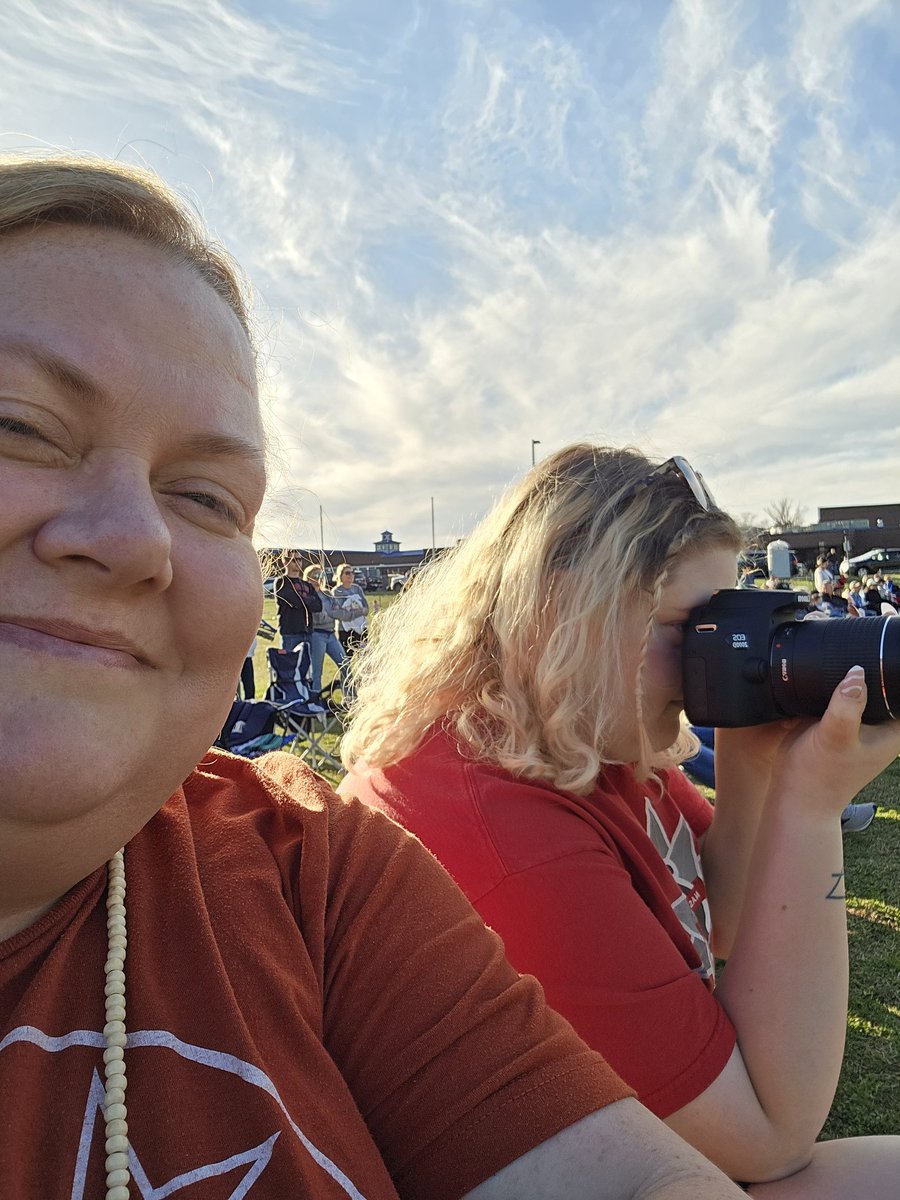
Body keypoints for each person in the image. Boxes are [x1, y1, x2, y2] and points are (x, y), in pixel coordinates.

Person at [0, 155, 752, 1200]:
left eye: (207, 496)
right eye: (18, 425)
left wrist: (784, 779)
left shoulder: (312, 874)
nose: (136, 538)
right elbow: (764, 1133)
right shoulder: (478, 801)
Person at [341, 444, 900, 1196]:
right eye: (688, 625)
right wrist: (811, 808)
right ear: (564, 611)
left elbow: (719, 923)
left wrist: (752, 764)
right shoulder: (499, 825)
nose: (713, 655)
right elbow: (768, 1138)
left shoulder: (579, 739)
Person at [304, 563, 364, 703]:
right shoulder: (308, 595)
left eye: (321, 575)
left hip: (331, 634)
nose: (319, 578)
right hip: (317, 634)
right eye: (315, 575)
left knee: (345, 665)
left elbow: (339, 612)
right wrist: (331, 613)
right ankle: (316, 701)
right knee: (317, 671)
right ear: (309, 577)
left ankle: (351, 699)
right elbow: (318, 616)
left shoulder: (327, 594)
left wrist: (332, 613)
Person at [274, 549, 321, 653]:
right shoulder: (281, 582)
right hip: (290, 633)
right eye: (294, 560)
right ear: (285, 562)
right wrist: (309, 599)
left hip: (307, 632)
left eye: (300, 559)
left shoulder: (307, 584)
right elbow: (294, 601)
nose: (298, 562)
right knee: (289, 662)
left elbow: (318, 606)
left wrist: (302, 600)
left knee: (307, 663)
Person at [333, 562, 370, 657]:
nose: (351, 575)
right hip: (346, 631)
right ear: (340, 575)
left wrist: (354, 613)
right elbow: (342, 615)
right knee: (348, 659)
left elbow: (366, 609)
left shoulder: (357, 589)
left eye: (352, 573)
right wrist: (359, 612)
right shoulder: (337, 591)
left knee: (365, 658)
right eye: (347, 573)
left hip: (361, 629)